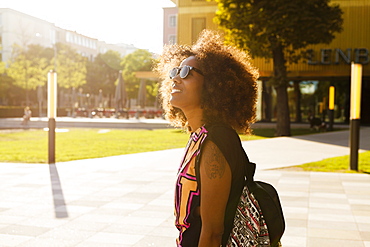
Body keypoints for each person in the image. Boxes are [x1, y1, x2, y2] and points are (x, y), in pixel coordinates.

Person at [155, 30, 265, 247]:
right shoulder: (199, 136)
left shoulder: (215, 141)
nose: (176, 77)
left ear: (214, 85)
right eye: (175, 70)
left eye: (187, 72)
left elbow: (213, 232)